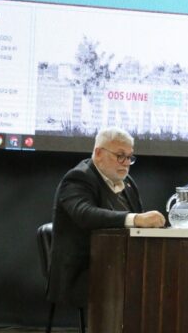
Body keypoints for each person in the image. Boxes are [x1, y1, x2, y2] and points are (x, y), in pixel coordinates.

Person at [47, 127, 166, 308]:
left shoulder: (128, 182)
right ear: (99, 153)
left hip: (119, 265)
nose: (126, 163)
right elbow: (85, 214)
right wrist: (135, 219)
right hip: (84, 270)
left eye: (129, 157)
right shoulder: (78, 177)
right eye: (120, 156)